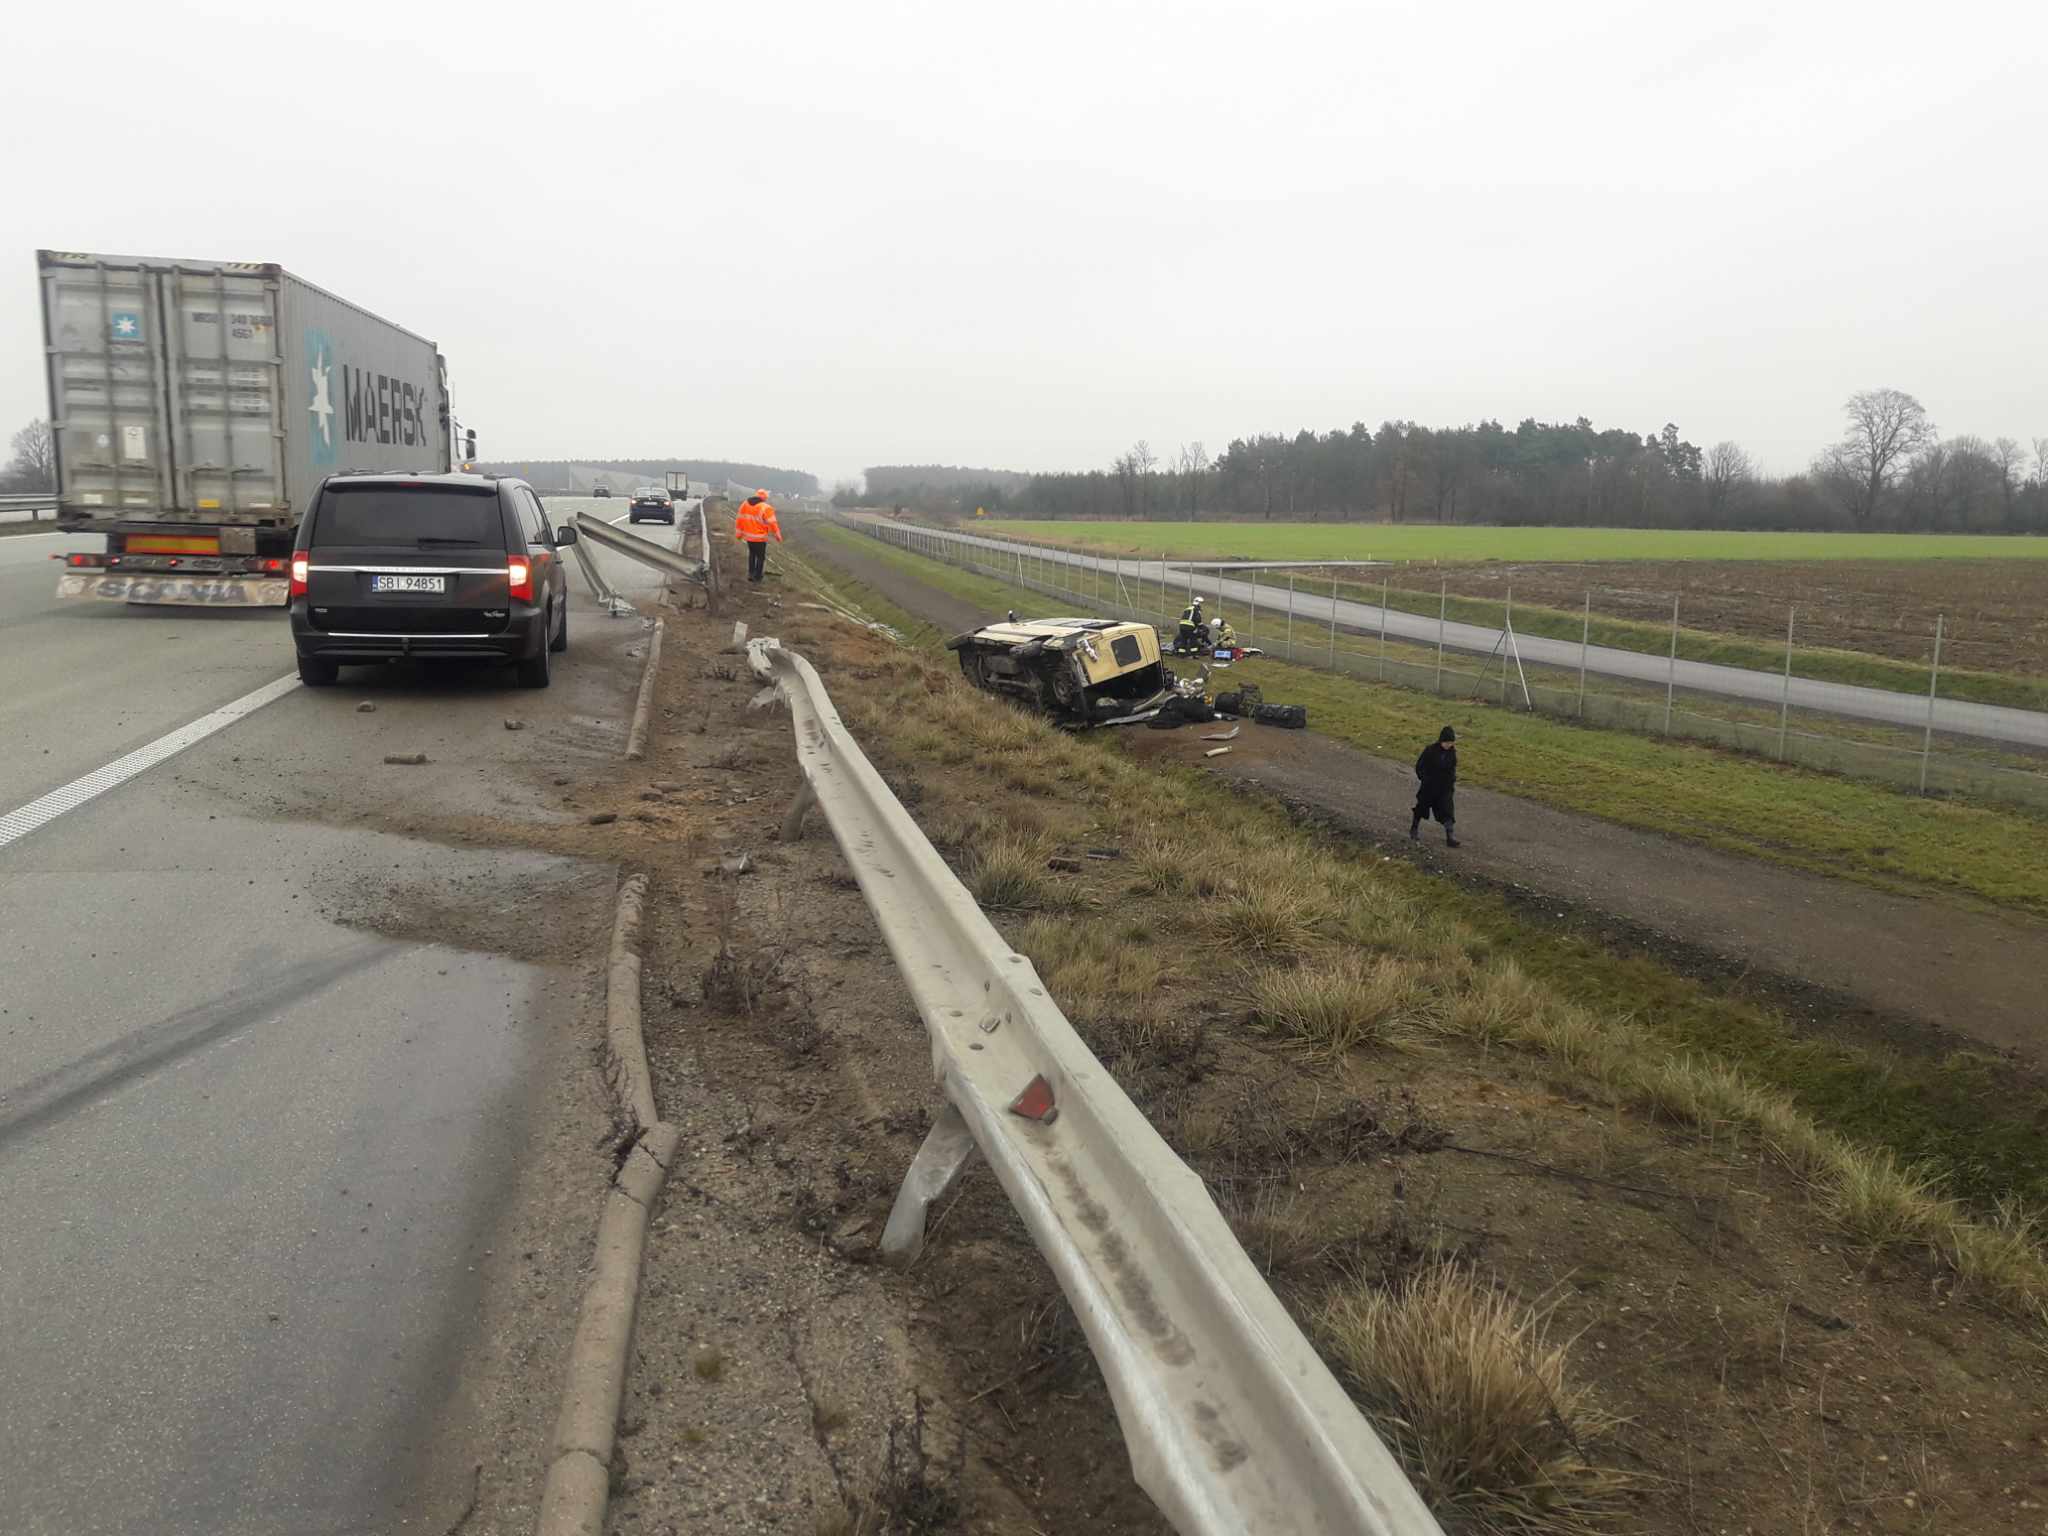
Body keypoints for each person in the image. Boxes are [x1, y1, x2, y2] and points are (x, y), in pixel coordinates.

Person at [1411, 726, 1459, 847]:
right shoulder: (1430, 750)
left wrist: (1451, 783)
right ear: (1441, 740)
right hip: (1429, 787)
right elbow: (1420, 766)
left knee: (1447, 811)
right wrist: (1424, 778)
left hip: (1444, 789)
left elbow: (1452, 770)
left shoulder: (1452, 754)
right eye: (1447, 742)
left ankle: (1450, 837)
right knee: (1421, 808)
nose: (1449, 745)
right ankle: (1414, 829)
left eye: (1451, 743)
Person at [735, 489, 782, 582]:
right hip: (760, 538)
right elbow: (773, 523)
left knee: (752, 554)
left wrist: (738, 533)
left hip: (748, 537)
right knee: (760, 557)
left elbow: (739, 519)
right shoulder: (765, 507)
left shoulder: (745, 504)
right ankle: (757, 576)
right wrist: (777, 535)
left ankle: (751, 574)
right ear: (764, 498)